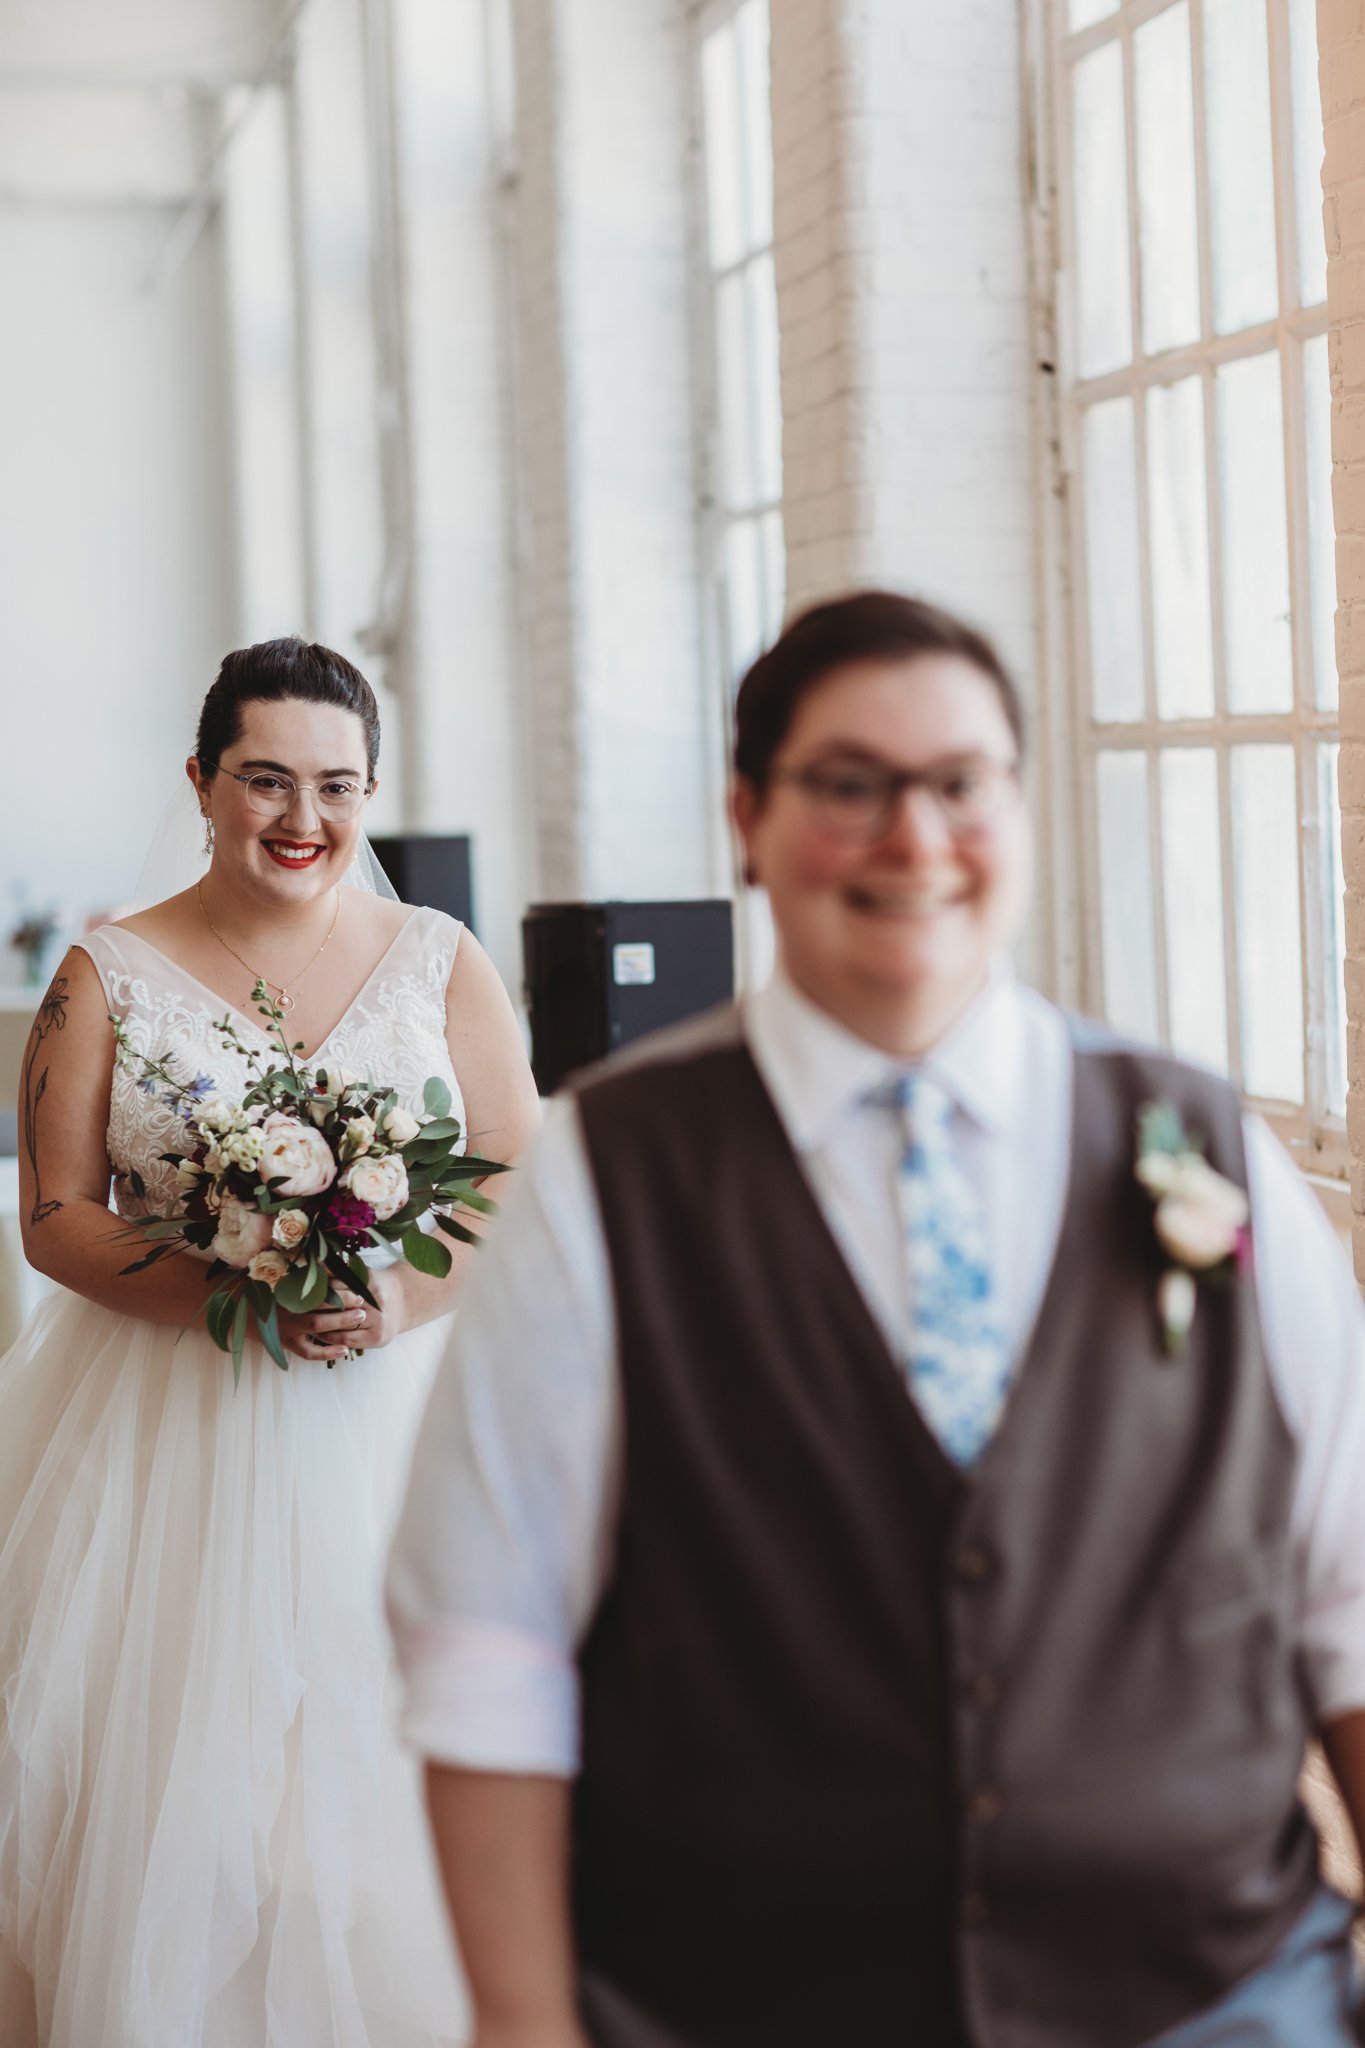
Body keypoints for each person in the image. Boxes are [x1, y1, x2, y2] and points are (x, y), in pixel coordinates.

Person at [387, 591, 1365, 2048]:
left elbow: (1344, 1598)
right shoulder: (610, 1172)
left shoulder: (1201, 1147)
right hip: (736, 1999)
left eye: (960, 785)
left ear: (1019, 809)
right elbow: (488, 1646)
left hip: (1216, 1996)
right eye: (851, 786)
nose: (914, 840)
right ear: (748, 815)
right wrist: (526, 2027)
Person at [0, 637, 541, 2048]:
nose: (303, 820)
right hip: (167, 1420)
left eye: (336, 787)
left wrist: (402, 1299)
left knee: (388, 1741)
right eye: (266, 782)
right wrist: (237, 1285)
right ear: (201, 782)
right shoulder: (103, 974)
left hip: (398, 1409)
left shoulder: (439, 957)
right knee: (182, 1765)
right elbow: (56, 1215)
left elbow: (510, 1171)